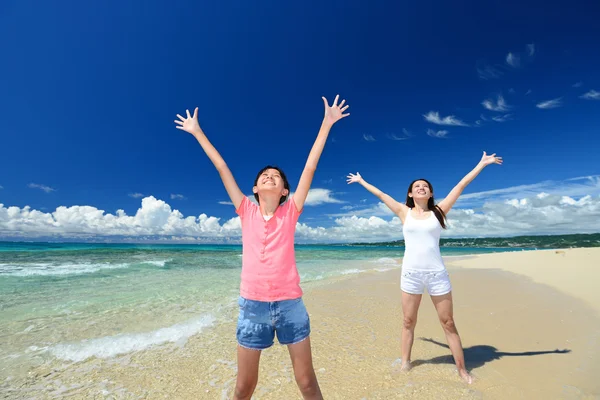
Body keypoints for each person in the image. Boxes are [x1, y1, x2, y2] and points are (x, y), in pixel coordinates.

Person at [175, 95, 350, 400]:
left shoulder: (290, 211)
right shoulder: (245, 209)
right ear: (255, 188)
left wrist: (326, 123)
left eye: (276, 177)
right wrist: (197, 132)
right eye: (263, 176)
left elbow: (310, 167)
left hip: (290, 305)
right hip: (252, 307)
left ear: (284, 191)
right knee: (244, 387)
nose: (269, 177)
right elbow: (221, 167)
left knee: (307, 382)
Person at [346, 152, 502, 384]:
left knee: (448, 322)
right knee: (408, 321)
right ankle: (405, 363)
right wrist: (361, 181)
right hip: (411, 275)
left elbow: (461, 185)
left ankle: (462, 370)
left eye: (425, 186)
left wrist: (482, 163)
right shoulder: (403, 212)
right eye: (417, 186)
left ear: (430, 193)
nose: (421, 188)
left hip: (437, 275)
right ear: (410, 193)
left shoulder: (439, 212)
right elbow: (381, 194)